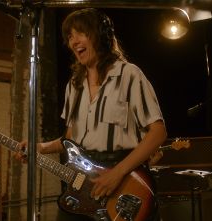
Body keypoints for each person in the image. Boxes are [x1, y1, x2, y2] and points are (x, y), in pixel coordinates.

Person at [18, 8, 167, 221]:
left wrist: (117, 174)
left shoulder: (129, 75)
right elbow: (70, 140)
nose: (73, 41)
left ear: (100, 36)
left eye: (81, 33)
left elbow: (158, 133)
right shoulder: (74, 85)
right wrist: (39, 147)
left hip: (124, 178)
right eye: (70, 36)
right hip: (84, 184)